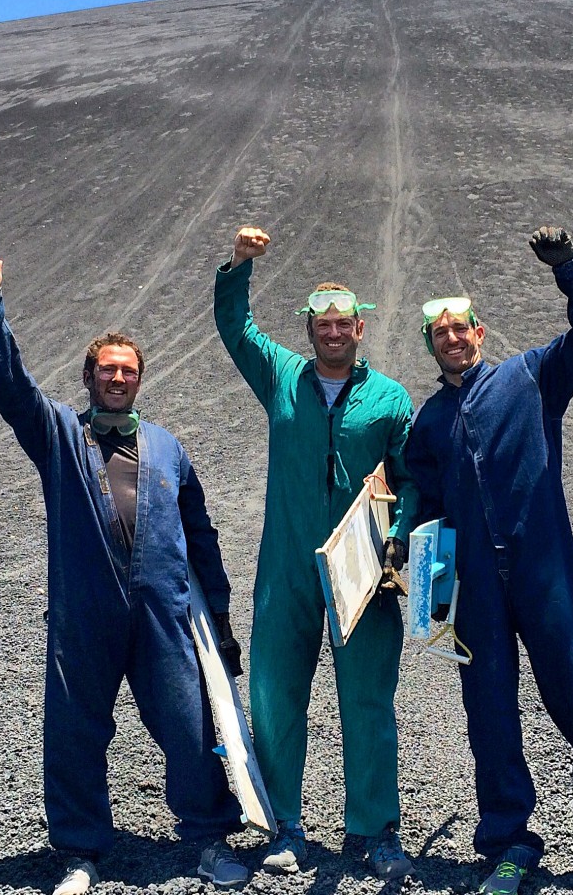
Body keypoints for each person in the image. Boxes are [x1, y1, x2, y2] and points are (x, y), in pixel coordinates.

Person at [0, 258, 248, 895]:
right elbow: (11, 387)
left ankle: (205, 839)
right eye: (107, 369)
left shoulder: (169, 447)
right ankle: (79, 852)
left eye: (128, 370)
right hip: (84, 611)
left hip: (163, 614)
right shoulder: (61, 434)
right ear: (89, 377)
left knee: (189, 723)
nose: (118, 377)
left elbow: (200, 535)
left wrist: (222, 622)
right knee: (74, 729)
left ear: (139, 380)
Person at [405, 227, 573, 895]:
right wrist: (427, 592)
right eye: (440, 333)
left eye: (462, 329)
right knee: (490, 717)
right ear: (431, 345)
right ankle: (510, 845)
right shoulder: (428, 423)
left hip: (546, 575)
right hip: (477, 590)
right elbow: (424, 505)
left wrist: (571, 268)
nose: (453, 339)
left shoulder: (533, 377)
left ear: (480, 333)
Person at [214, 226, 419, 880]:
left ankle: (375, 830)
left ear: (361, 327)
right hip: (286, 569)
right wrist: (239, 267)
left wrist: (398, 538)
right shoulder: (281, 376)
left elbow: (413, 479)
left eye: (343, 323)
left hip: (362, 569)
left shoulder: (389, 398)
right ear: (308, 329)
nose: (332, 333)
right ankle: (286, 826)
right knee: (276, 693)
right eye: (321, 324)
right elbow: (235, 329)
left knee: (367, 698)